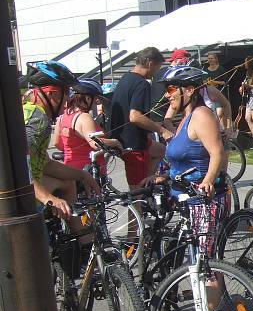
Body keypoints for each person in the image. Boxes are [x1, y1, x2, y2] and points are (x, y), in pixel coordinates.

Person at [160, 65, 228, 311]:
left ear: (188, 90)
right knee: (193, 259)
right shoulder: (184, 117)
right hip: (183, 199)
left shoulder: (201, 115)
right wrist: (160, 176)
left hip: (203, 200)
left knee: (204, 263)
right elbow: (174, 155)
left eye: (171, 89)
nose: (167, 95)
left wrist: (209, 180)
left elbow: (218, 153)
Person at [22, 61, 101, 226]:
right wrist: (49, 199)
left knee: (68, 181)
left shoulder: (29, 111)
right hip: (18, 197)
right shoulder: (38, 119)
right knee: (40, 248)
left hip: (25, 187)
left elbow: (45, 164)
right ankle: (80, 242)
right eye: (66, 93)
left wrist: (81, 174)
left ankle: (77, 238)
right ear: (52, 94)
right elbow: (21, 167)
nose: (68, 99)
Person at [109, 46, 172, 188]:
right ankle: (141, 198)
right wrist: (162, 130)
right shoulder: (142, 84)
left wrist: (148, 131)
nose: (156, 72)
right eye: (157, 68)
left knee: (160, 150)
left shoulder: (126, 78)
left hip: (121, 138)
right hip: (134, 144)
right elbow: (135, 116)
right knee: (137, 191)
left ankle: (148, 181)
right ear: (150, 64)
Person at [54, 79, 123, 174]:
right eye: (94, 98)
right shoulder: (84, 117)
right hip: (88, 169)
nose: (95, 102)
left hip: (70, 168)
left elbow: (57, 143)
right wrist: (115, 142)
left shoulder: (62, 117)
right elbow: (95, 143)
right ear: (87, 98)